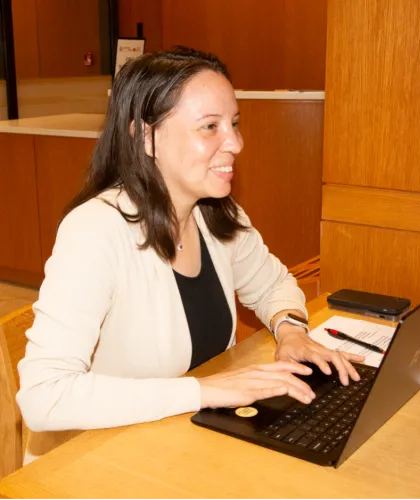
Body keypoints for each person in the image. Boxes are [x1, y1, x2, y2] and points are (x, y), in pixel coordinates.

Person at [16, 47, 364, 461]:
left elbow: (273, 284)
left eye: (233, 124)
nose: (235, 142)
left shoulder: (215, 212)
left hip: (182, 443)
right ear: (145, 136)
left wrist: (291, 332)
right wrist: (207, 390)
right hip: (98, 460)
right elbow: (44, 397)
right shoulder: (94, 231)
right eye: (209, 127)